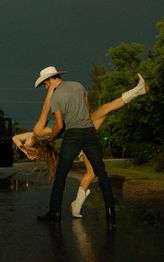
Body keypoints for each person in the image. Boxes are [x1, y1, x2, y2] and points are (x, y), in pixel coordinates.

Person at [33, 66, 148, 230]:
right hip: (89, 133)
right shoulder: (79, 86)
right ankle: (110, 214)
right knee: (101, 173)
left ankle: (54, 213)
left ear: (49, 80)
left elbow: (58, 125)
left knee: (61, 175)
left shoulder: (56, 96)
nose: (45, 87)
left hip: (73, 136)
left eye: (44, 85)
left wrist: (51, 139)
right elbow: (86, 111)